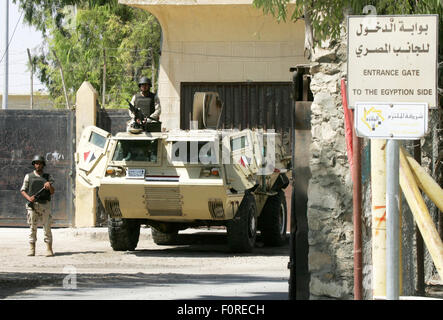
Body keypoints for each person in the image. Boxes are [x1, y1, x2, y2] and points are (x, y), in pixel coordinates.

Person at [20, 155, 55, 257]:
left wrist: (49, 186)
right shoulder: (28, 176)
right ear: (34, 164)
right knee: (32, 227)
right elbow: (23, 190)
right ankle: (32, 249)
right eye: (36, 163)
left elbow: (52, 192)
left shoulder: (48, 177)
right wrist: (29, 198)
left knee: (47, 227)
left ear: (43, 164)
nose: (38, 165)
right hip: (33, 205)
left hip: (45, 205)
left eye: (40, 163)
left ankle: (49, 248)